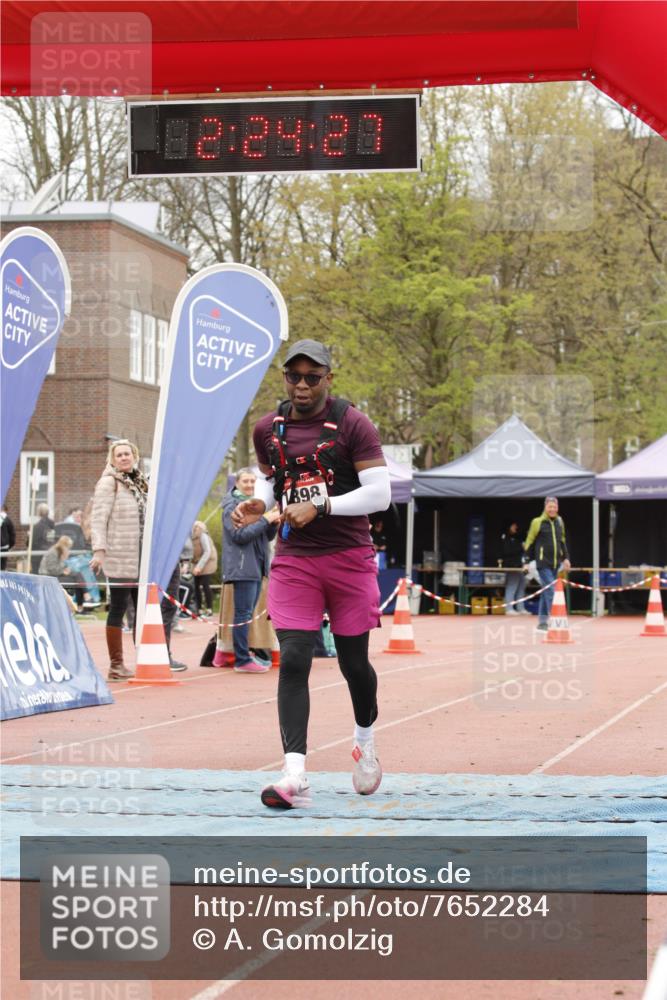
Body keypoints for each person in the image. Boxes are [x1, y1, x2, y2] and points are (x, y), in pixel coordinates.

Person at [232, 338, 391, 809]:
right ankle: (294, 773)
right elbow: (270, 478)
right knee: (295, 658)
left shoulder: (352, 424)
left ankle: (365, 739)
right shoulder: (267, 428)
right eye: (293, 376)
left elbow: (379, 494)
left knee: (353, 664)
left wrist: (319, 506)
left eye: (312, 377)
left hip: (348, 557)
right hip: (296, 560)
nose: (302, 385)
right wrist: (260, 502)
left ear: (328, 379)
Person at [90, 439, 148, 681]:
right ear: (112, 460)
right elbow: (98, 518)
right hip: (120, 555)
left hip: (142, 557)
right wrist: (99, 550)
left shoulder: (142, 482)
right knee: (118, 607)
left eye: (127, 454)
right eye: (119, 455)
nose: (124, 458)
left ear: (134, 456)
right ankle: (116, 664)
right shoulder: (108, 483)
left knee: (142, 610)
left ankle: (145, 660)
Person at [221, 468, 280, 672]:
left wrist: (273, 523)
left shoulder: (258, 506)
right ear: (236, 484)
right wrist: (265, 520)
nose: (249, 485)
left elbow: (266, 537)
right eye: (245, 481)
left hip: (257, 565)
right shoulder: (231, 507)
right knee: (243, 614)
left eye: (253, 482)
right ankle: (241, 659)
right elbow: (239, 536)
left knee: (247, 613)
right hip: (242, 566)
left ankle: (245, 654)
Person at [523, 496, 571, 631]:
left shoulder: (560, 521)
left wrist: (566, 558)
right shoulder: (537, 522)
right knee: (551, 590)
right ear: (545, 507)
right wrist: (526, 562)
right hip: (542, 563)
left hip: (556, 563)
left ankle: (542, 623)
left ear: (557, 508)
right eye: (550, 506)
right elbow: (529, 542)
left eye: (554, 507)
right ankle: (557, 621)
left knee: (546, 591)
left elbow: (562, 541)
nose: (552, 509)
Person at [39, 535, 92, 612]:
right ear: (64, 545)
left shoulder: (58, 551)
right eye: (68, 546)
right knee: (77, 578)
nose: (69, 549)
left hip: (54, 575)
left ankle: (82, 603)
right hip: (48, 577)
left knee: (77, 576)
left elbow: (59, 566)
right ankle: (84, 599)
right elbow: (52, 569)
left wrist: (65, 567)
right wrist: (63, 571)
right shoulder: (53, 552)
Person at [501, 521, 528, 615]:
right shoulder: (505, 537)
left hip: (519, 565)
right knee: (512, 585)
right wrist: (521, 548)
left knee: (522, 585)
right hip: (511, 566)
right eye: (513, 525)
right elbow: (507, 551)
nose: (515, 527)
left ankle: (520, 608)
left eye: (516, 525)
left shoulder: (517, 538)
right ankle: (509, 609)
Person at [191, 520, 218, 618]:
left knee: (205, 584)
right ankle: (199, 610)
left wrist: (199, 567)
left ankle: (209, 609)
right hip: (198, 562)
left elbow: (207, 552)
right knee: (196, 586)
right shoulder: (192, 537)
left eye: (197, 527)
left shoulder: (203, 536)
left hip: (208, 562)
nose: (195, 529)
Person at [31, 503, 56, 573]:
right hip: (50, 554)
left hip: (38, 556)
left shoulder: (36, 527)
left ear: (38, 513)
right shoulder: (52, 525)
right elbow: (52, 540)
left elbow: (31, 542)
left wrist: (29, 536)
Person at [1, 505, 16, 571]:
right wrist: (10, 545)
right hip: (4, 546)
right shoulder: (7, 520)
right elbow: (12, 534)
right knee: (2, 566)